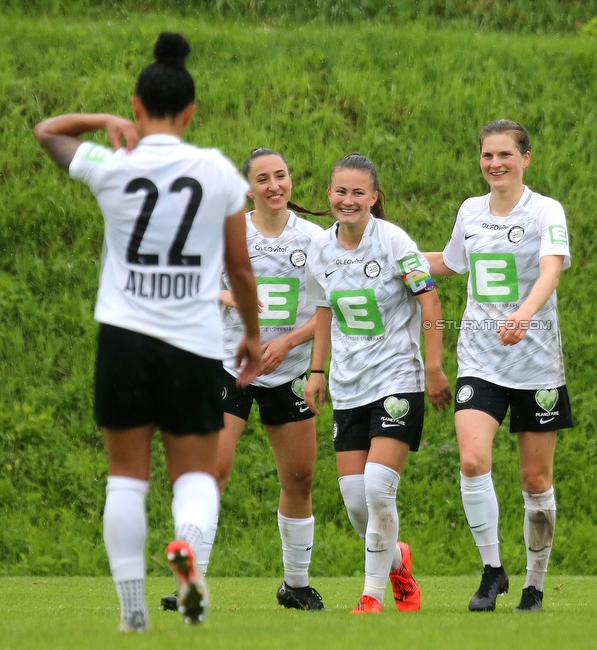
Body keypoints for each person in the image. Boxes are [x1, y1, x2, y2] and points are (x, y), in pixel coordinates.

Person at [33, 32, 261, 631]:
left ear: (136, 107)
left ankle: (133, 612)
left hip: (124, 340)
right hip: (191, 342)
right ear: (191, 112)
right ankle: (187, 549)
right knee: (193, 473)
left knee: (126, 479)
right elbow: (239, 268)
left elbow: (49, 132)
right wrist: (253, 334)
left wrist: (100, 118)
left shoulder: (116, 163)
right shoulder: (214, 170)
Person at [159, 148, 328, 613]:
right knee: (212, 471)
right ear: (247, 187)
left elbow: (333, 308)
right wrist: (233, 299)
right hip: (228, 364)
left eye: (281, 175)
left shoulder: (315, 240)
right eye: (262, 178)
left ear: (290, 181)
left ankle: (295, 584)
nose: (274, 185)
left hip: (288, 369)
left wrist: (291, 341)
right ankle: (189, 583)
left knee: (300, 477)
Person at [424, 120, 573, 614]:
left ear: (526, 158)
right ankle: (492, 571)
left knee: (535, 480)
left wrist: (525, 314)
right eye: (488, 156)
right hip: (480, 360)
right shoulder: (470, 211)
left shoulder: (545, 210)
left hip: (536, 364)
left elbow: (552, 266)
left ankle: (534, 582)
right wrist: (391, 256)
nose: (495, 164)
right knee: (472, 460)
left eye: (505, 155)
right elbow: (449, 262)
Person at [303, 153, 452, 614]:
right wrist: (317, 371)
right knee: (354, 503)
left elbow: (430, 302)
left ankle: (372, 597)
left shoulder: (394, 243)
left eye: (358, 193)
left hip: (397, 379)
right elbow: (323, 313)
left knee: (377, 488)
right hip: (349, 386)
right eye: (340, 192)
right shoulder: (320, 250)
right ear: (329, 196)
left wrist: (432, 367)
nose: (349, 200)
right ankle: (397, 560)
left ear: (374, 198)